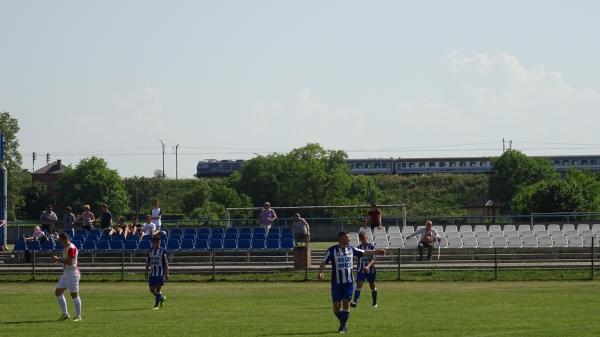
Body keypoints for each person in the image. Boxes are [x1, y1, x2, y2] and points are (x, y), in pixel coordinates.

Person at [318, 231, 385, 334]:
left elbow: (365, 252)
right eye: (347, 238)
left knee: (346, 303)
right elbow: (323, 262)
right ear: (341, 239)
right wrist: (321, 272)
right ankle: (343, 322)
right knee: (336, 309)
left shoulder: (352, 249)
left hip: (349, 283)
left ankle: (342, 327)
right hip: (336, 283)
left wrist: (377, 252)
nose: (349, 239)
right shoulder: (332, 250)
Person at [52, 232, 82, 321]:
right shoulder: (66, 247)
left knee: (74, 295)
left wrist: (58, 259)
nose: (60, 242)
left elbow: (70, 262)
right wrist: (59, 260)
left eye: (60, 240)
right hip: (66, 273)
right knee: (58, 292)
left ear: (64, 239)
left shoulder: (71, 248)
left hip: (73, 273)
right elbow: (66, 260)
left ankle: (78, 316)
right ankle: (65, 314)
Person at [351, 232, 378, 308]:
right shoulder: (359, 247)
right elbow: (358, 259)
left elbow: (373, 259)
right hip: (361, 270)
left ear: (366, 237)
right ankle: (355, 302)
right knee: (359, 285)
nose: (362, 240)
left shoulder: (371, 246)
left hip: (370, 270)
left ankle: (374, 303)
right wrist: (357, 269)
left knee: (372, 285)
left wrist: (368, 267)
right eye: (361, 239)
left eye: (363, 238)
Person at [145, 234, 169, 309]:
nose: (158, 244)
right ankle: (161, 298)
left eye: (159, 242)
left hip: (160, 273)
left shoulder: (163, 251)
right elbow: (148, 262)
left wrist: (167, 273)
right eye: (156, 242)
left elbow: (166, 263)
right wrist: (146, 271)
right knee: (152, 290)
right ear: (153, 243)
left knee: (158, 289)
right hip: (152, 273)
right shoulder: (150, 251)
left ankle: (156, 306)